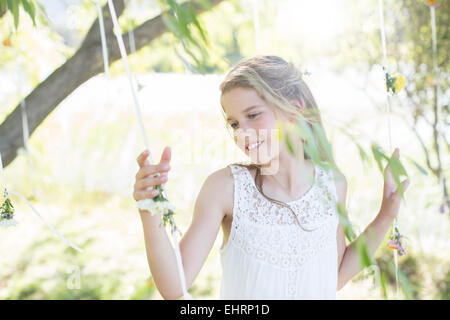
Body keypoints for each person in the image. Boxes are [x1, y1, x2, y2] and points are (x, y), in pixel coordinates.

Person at [133, 55, 410, 300]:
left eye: (253, 115)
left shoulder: (333, 184)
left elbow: (334, 277)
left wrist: (386, 214)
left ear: (294, 109)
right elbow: (174, 286)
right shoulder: (225, 189)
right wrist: (150, 206)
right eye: (234, 123)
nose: (242, 132)